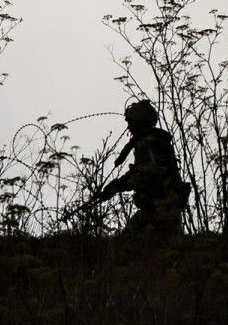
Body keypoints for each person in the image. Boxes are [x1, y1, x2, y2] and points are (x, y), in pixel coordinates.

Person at [78, 99, 189, 234]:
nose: (129, 127)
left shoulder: (146, 143)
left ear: (138, 121)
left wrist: (117, 186)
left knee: (131, 245)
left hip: (159, 209)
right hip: (167, 206)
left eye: (130, 121)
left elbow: (145, 175)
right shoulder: (157, 140)